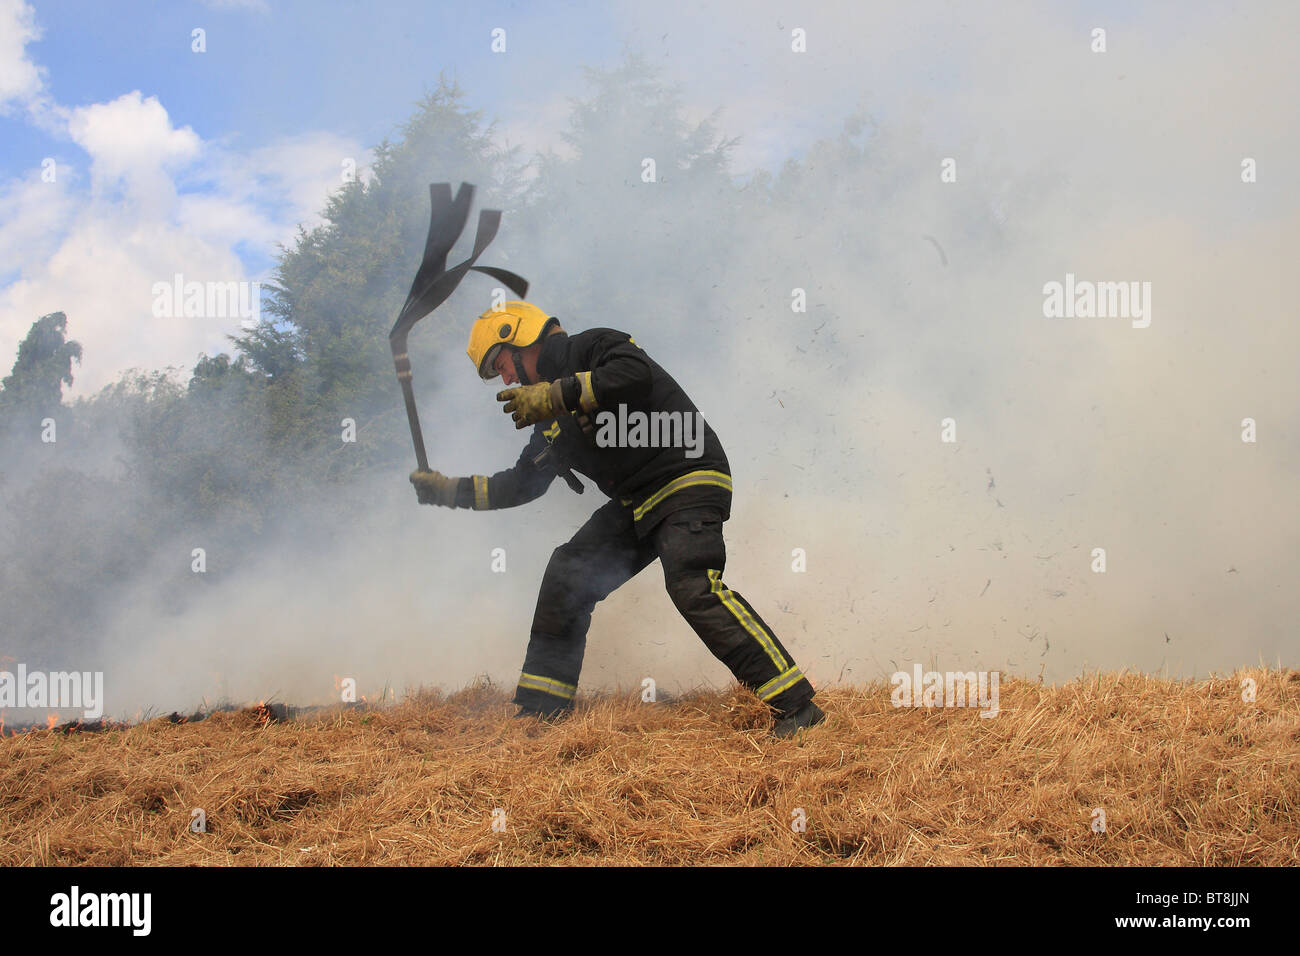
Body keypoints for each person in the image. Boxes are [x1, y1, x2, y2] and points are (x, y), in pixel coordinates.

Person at [410, 301, 824, 738]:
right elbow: (520, 486)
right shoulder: (550, 424)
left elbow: (634, 373)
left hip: (686, 474)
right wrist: (445, 491)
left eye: (501, 365)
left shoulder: (590, 347)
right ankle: (542, 712)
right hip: (638, 500)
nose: (507, 380)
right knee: (567, 574)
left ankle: (797, 706)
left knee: (691, 583)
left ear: (520, 338)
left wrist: (556, 394)